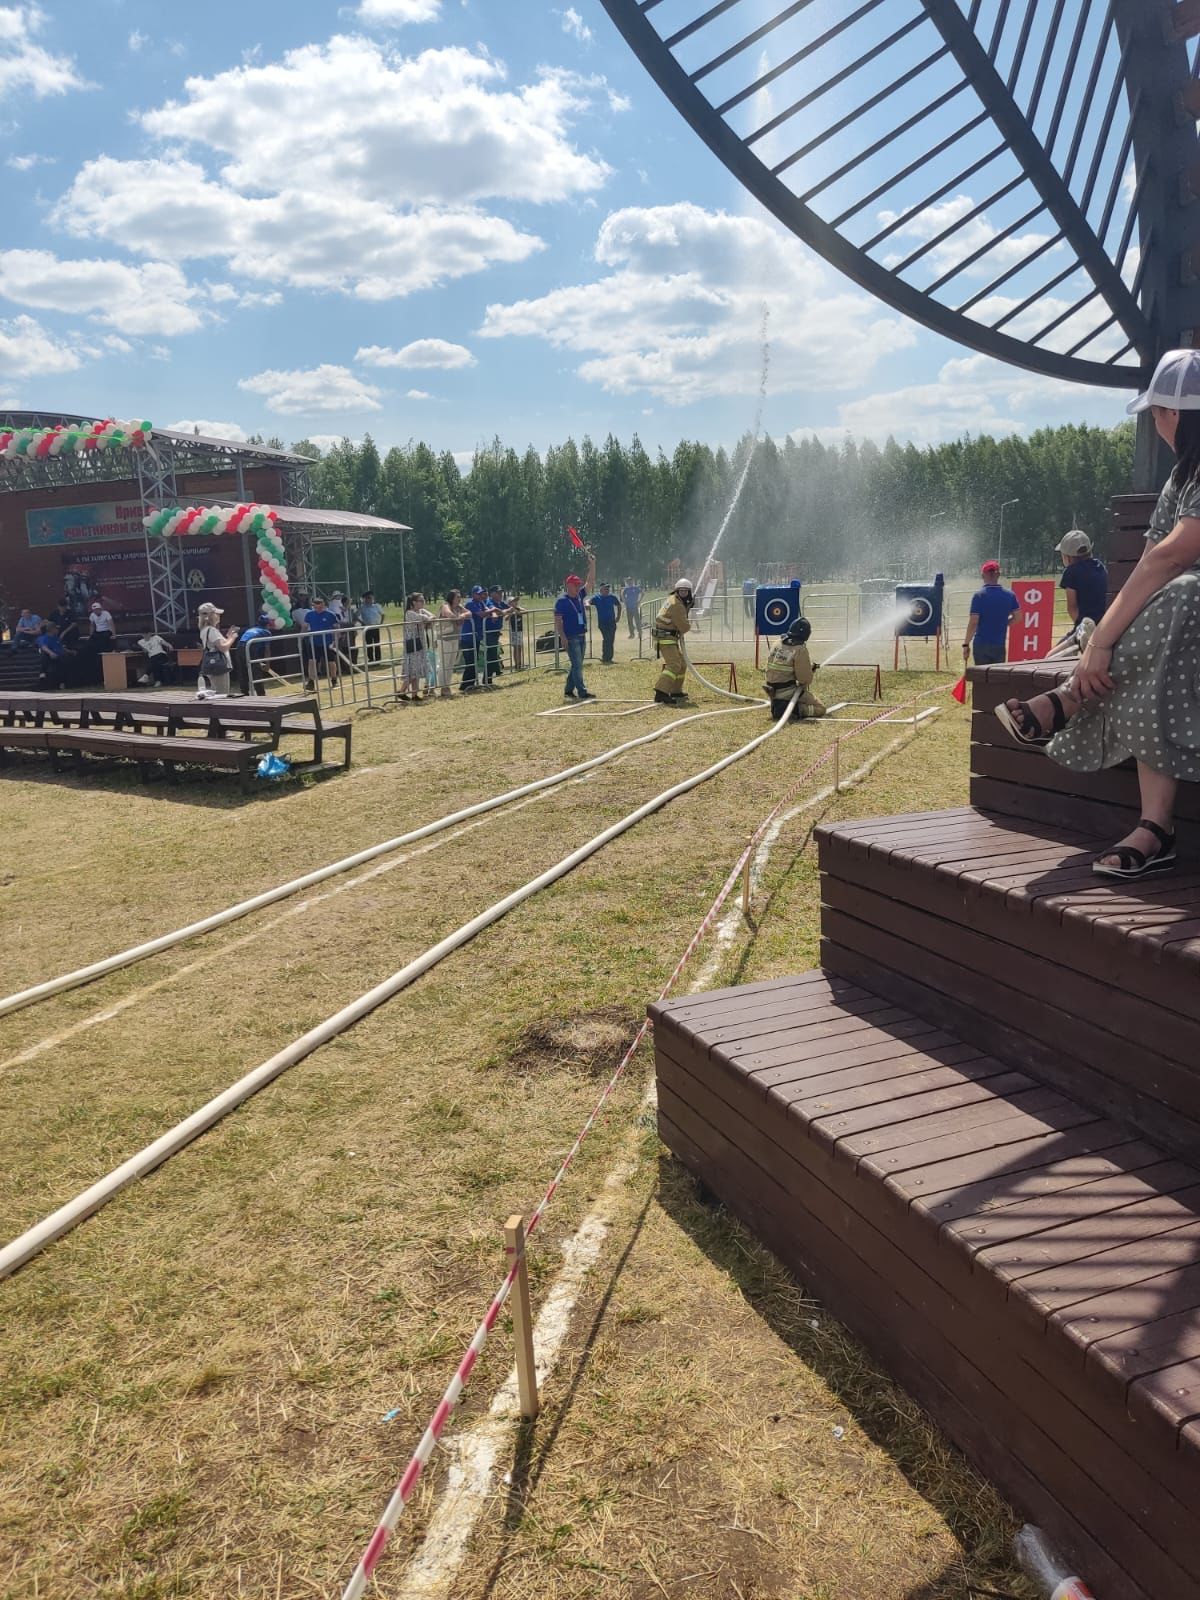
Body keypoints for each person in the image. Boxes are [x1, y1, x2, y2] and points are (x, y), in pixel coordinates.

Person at [994, 346, 1200, 880]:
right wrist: (1101, 637)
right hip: (1183, 633)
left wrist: (1101, 643)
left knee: (1181, 597)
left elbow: (1171, 556)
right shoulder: (1181, 481)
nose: (1156, 422)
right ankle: (1156, 828)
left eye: (1156, 411)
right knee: (1165, 631)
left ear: (1172, 414)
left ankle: (1066, 701)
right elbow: (1150, 572)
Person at [762, 617, 825, 721]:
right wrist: (810, 671)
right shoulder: (799, 649)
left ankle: (781, 704)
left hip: (771, 689)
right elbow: (804, 680)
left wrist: (807, 667)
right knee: (820, 708)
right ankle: (793, 709)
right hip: (787, 691)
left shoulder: (778, 642)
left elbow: (784, 665)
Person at [555, 552, 597, 701]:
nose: (578, 586)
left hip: (581, 635)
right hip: (571, 637)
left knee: (576, 664)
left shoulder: (579, 595)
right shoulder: (561, 601)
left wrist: (592, 564)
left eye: (579, 584)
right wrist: (563, 638)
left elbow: (590, 582)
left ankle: (568, 690)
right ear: (568, 585)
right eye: (575, 584)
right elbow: (558, 621)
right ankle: (582, 691)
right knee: (577, 665)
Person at [962, 561, 1019, 665]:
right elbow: (1018, 618)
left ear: (983, 575)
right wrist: (1003, 623)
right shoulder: (1010, 595)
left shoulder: (979, 596)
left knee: (982, 678)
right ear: (998, 575)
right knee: (997, 678)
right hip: (999, 644)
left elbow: (974, 622)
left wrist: (966, 644)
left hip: (981, 645)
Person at [1056, 528, 1109, 642]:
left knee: (1050, 657)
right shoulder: (1099, 566)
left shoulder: (1071, 572)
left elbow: (1072, 607)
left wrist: (1082, 629)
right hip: (1105, 625)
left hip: (1086, 628)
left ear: (1068, 557)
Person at [652, 576, 696, 703]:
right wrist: (687, 611)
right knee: (674, 664)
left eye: (686, 591)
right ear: (677, 591)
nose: (684, 593)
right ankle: (661, 692)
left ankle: (675, 691)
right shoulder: (677, 605)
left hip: (667, 636)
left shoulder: (672, 600)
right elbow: (684, 627)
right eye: (681, 591)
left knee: (682, 663)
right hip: (667, 638)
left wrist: (687, 608)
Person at [196, 603, 238, 699]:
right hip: (219, 666)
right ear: (211, 616)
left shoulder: (204, 630)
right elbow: (223, 647)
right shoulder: (212, 630)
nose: (219, 616)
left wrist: (228, 637)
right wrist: (232, 638)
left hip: (212, 665)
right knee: (221, 694)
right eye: (216, 614)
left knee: (215, 692)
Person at [402, 592, 434, 699]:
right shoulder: (409, 613)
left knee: (417, 670)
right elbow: (426, 618)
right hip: (413, 645)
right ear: (413, 602)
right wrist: (426, 616)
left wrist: (425, 613)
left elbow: (432, 616)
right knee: (413, 671)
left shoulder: (419, 611)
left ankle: (414, 694)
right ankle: (401, 691)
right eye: (421, 600)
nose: (423, 602)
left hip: (420, 644)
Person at [302, 596, 339, 686]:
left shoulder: (330, 614)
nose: (318, 609)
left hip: (328, 642)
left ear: (324, 605)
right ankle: (311, 682)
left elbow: (337, 627)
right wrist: (301, 637)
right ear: (313, 606)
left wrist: (335, 641)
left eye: (320, 607)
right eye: (316, 607)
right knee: (312, 661)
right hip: (314, 642)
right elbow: (305, 627)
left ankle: (334, 679)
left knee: (331, 661)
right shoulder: (309, 614)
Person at [459, 585, 489, 691]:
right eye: (478, 593)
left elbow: (487, 610)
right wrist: (494, 611)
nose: (481, 595)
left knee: (474, 661)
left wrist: (492, 611)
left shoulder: (481, 603)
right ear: (473, 594)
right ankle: (465, 685)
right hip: (467, 638)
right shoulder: (471, 604)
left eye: (481, 593)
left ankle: (470, 684)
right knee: (470, 662)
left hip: (475, 637)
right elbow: (482, 614)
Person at [438, 590, 466, 698]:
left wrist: (462, 615)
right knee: (444, 664)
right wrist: (458, 617)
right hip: (445, 638)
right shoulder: (445, 605)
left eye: (460, 597)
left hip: (454, 638)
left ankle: (447, 686)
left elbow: (469, 613)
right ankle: (443, 687)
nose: (459, 599)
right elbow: (448, 614)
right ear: (451, 598)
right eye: (457, 597)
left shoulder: (459, 607)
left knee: (451, 664)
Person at [589, 582, 622, 663]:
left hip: (611, 622)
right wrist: (586, 604)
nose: (607, 590)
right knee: (607, 638)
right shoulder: (597, 598)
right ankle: (605, 658)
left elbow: (619, 605)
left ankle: (609, 658)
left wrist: (618, 616)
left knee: (611, 639)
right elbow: (588, 601)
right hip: (602, 623)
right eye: (605, 588)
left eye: (608, 588)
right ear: (601, 589)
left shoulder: (612, 597)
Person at [36, 623, 72, 689]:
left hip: (60, 656)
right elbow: (44, 647)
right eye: (56, 628)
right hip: (51, 658)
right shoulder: (43, 638)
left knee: (65, 661)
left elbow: (61, 647)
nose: (58, 630)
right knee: (45, 656)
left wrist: (70, 651)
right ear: (52, 629)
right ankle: (42, 675)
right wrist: (51, 653)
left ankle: (63, 683)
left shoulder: (56, 638)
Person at [485, 585, 509, 680]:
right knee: (492, 655)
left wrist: (508, 610)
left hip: (495, 632)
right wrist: (505, 611)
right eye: (498, 592)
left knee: (492, 654)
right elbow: (500, 612)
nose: (501, 594)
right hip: (489, 632)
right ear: (492, 594)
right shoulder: (489, 602)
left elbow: (510, 608)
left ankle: (489, 677)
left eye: (501, 592)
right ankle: (489, 677)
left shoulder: (500, 603)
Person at [359, 590, 384, 664]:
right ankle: (371, 659)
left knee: (377, 644)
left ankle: (378, 659)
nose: (369, 599)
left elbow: (383, 614)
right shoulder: (362, 607)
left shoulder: (376, 606)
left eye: (370, 598)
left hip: (375, 627)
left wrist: (381, 624)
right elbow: (355, 615)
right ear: (365, 599)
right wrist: (361, 622)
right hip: (367, 628)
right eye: (367, 598)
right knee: (369, 644)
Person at [508, 595, 525, 669]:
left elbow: (525, 611)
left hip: (520, 630)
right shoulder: (509, 610)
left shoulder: (518, 608)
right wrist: (512, 612)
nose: (516, 602)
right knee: (516, 648)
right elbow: (506, 618)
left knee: (520, 647)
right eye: (514, 601)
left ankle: (520, 663)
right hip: (514, 631)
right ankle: (517, 664)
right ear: (510, 603)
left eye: (516, 601)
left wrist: (517, 610)